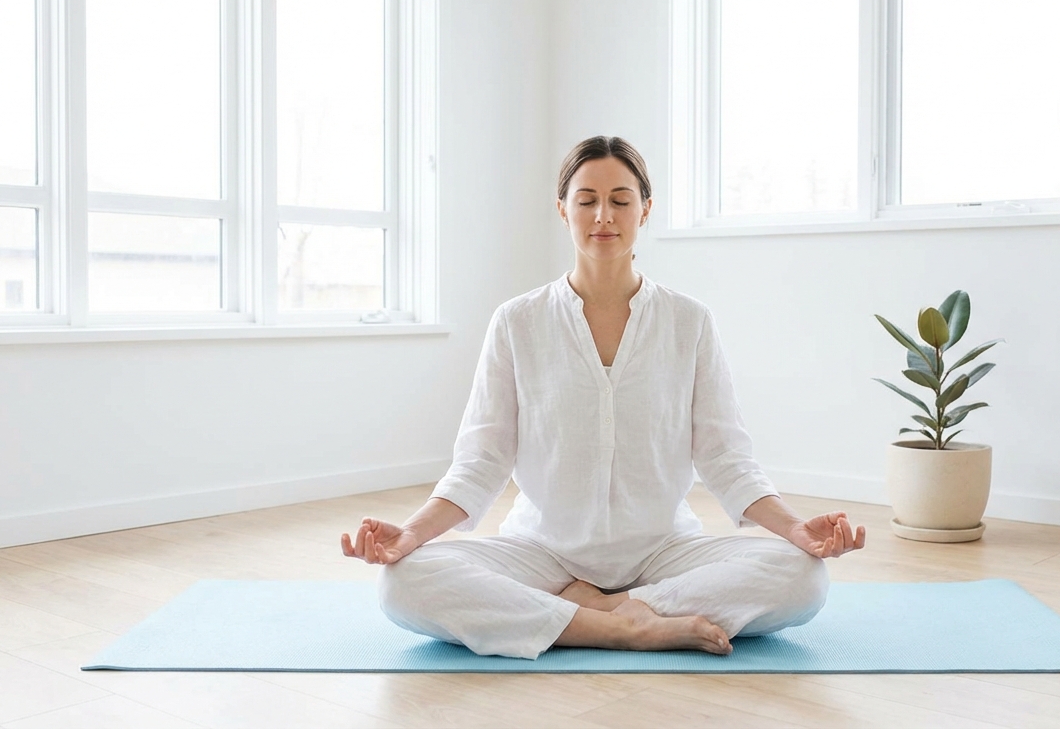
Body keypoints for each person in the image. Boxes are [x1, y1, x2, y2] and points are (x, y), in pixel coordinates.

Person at [341, 136, 867, 660]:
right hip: (540, 552)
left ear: (645, 210)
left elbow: (725, 457)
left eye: (620, 200)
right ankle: (622, 626)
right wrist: (410, 535)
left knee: (802, 576)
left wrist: (796, 528)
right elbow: (482, 461)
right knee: (403, 583)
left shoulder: (690, 321)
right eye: (587, 200)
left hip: (663, 551)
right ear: (562, 208)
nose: (603, 216)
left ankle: (587, 609)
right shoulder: (517, 321)